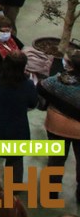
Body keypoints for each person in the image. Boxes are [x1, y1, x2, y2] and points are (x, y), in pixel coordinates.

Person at [0, 52, 37, 183]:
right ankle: (14, 189)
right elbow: (33, 103)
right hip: (18, 130)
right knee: (15, 161)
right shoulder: (28, 85)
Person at [42, 48, 80, 206]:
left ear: (70, 66)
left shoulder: (56, 81)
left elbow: (41, 89)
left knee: (56, 161)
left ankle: (51, 193)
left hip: (56, 127)